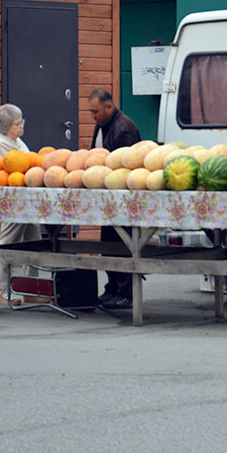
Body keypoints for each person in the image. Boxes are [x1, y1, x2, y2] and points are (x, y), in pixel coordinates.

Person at [87, 88, 141, 309]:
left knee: (124, 244)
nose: (93, 115)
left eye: (95, 111)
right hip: (107, 199)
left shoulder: (123, 127)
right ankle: (112, 289)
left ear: (109, 107)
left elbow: (127, 164)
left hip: (122, 200)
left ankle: (127, 293)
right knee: (108, 243)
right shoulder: (102, 124)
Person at [0, 103, 42, 306]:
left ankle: (29, 286)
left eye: (22, 122)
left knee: (34, 241)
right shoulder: (1, 145)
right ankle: (1, 290)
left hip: (27, 203)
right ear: (5, 127)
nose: (22, 126)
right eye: (17, 123)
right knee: (8, 243)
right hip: (13, 205)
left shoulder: (16, 141)